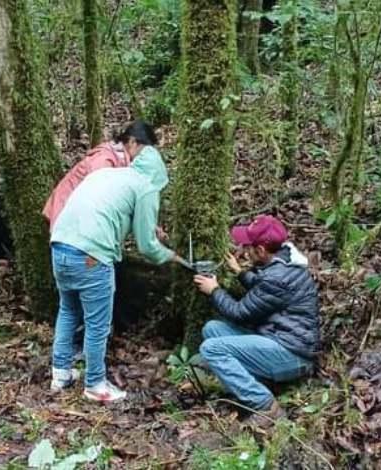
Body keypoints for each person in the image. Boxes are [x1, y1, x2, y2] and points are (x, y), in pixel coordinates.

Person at [49, 146, 184, 402]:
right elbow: (146, 247)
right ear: (158, 176)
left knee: (68, 310)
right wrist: (171, 256)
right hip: (91, 255)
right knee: (97, 323)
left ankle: (61, 372)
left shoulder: (107, 175)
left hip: (60, 245)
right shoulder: (146, 187)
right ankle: (95, 384)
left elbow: (107, 211)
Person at [193, 215, 320, 425]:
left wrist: (214, 290)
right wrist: (240, 272)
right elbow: (265, 288)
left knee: (211, 349)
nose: (244, 250)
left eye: (248, 246)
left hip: (293, 355)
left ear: (260, 250)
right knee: (212, 329)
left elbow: (239, 313)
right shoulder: (285, 261)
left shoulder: (276, 278)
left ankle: (265, 405)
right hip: (279, 340)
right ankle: (256, 383)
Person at [42, 121, 156, 231]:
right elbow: (99, 197)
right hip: (66, 216)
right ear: (132, 142)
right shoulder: (105, 159)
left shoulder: (118, 159)